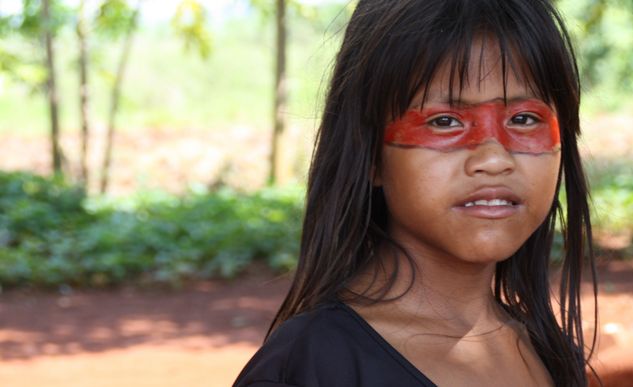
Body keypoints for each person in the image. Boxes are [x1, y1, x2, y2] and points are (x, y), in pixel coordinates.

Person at [233, 0, 597, 386]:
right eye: (444, 121)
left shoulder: (547, 350)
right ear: (370, 155)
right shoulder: (310, 367)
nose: (493, 159)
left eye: (524, 119)